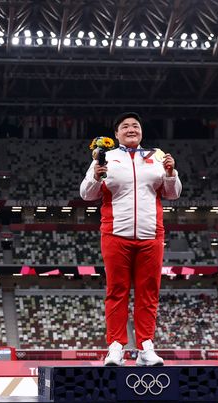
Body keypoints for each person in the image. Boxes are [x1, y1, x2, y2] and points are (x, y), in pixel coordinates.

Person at [79, 112, 182, 366]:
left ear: (142, 132)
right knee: (117, 291)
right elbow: (86, 195)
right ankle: (116, 347)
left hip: (151, 234)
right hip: (115, 233)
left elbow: (173, 194)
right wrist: (95, 175)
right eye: (125, 126)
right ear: (116, 134)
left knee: (149, 293)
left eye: (135, 125)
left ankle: (146, 347)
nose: (131, 129)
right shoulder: (105, 158)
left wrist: (171, 173)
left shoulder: (157, 157)